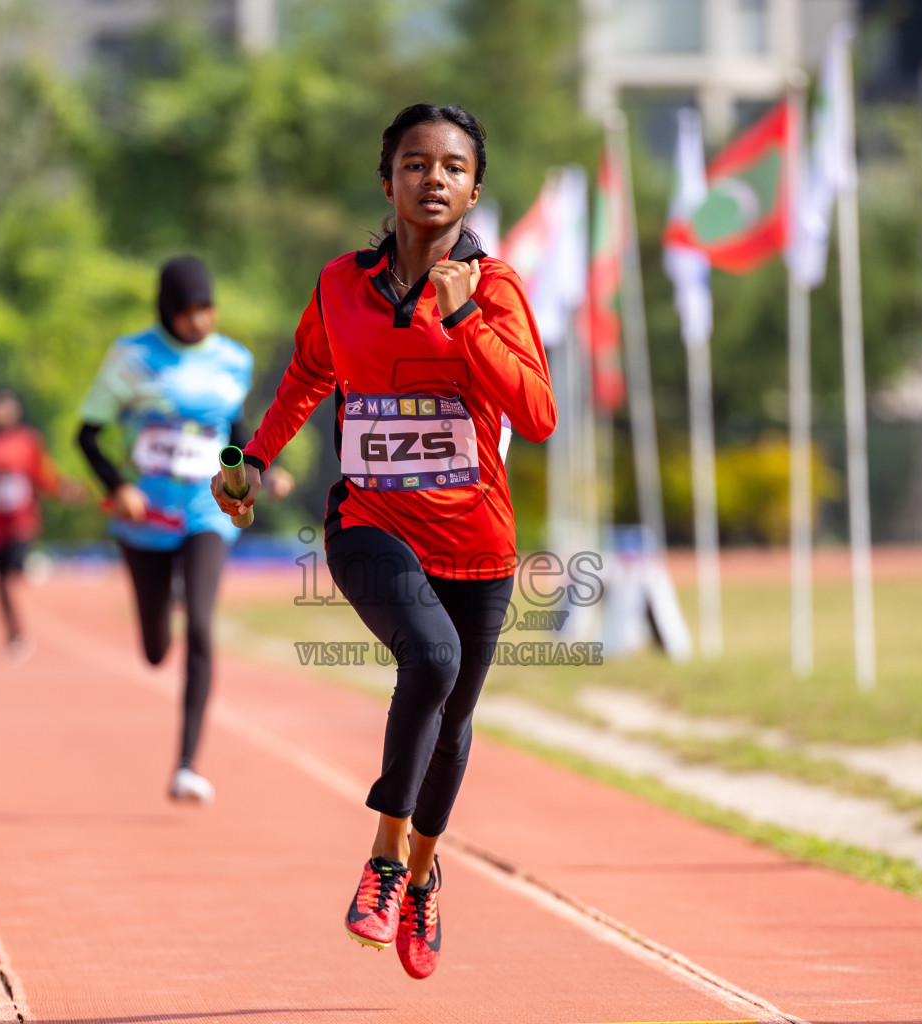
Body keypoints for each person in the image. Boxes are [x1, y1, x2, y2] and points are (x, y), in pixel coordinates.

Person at [213, 103, 556, 980]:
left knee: (454, 726)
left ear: (475, 188)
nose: (432, 178)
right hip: (372, 522)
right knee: (431, 663)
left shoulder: (500, 289)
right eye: (414, 163)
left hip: (477, 544)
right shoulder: (340, 285)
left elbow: (538, 415)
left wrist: (467, 318)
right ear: (388, 180)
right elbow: (305, 377)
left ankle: (425, 874)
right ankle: (385, 860)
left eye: (451, 166)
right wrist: (251, 460)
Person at [77, 255, 289, 805]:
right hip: (144, 515)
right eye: (189, 311)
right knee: (154, 650)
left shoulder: (232, 360)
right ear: (168, 311)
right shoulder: (131, 358)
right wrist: (117, 485)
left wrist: (259, 467)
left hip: (205, 509)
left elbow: (234, 429)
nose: (201, 321)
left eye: (208, 308)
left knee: (200, 624)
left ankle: (187, 764)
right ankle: (161, 599)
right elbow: (87, 434)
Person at [0, 388, 72, 657]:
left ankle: (26, 565)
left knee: (14, 569)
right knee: (1, 582)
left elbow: (43, 475)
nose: (1, 413)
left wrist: (62, 490)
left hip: (22, 520)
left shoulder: (27, 441)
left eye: (7, 408)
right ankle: (14, 633)